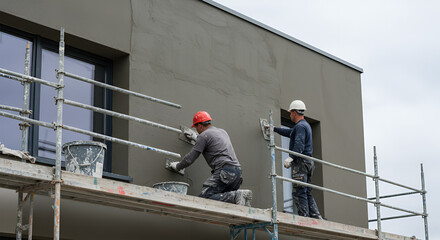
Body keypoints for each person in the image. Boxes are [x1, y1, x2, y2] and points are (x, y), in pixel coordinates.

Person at [170, 111, 252, 206]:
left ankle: (237, 195)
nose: (197, 130)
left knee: (205, 198)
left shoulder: (203, 136)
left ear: (200, 126)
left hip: (225, 172)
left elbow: (190, 159)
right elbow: (213, 142)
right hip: (237, 174)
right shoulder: (222, 132)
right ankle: (240, 198)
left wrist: (178, 166)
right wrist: (195, 137)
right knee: (224, 202)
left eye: (196, 128)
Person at [273, 100, 323, 219]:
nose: (290, 115)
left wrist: (291, 158)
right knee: (306, 191)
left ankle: (304, 217)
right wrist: (274, 129)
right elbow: (290, 132)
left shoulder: (300, 126)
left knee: (299, 191)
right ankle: (316, 216)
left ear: (294, 112)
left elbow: (299, 145)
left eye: (290, 113)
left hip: (301, 163)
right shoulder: (304, 125)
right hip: (308, 163)